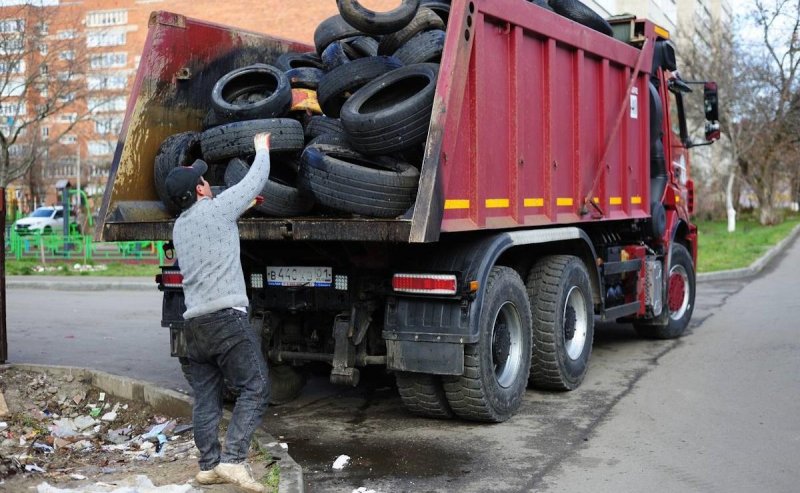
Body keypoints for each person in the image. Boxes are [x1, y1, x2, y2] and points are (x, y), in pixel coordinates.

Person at [165, 132, 272, 492]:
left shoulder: (180, 227)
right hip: (227, 318)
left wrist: (240, 206)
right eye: (204, 180)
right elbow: (255, 178)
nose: (207, 182)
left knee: (207, 396)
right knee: (255, 387)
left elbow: (213, 222)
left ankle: (208, 465)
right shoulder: (217, 208)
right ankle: (234, 461)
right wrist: (262, 146)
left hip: (194, 324)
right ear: (199, 190)